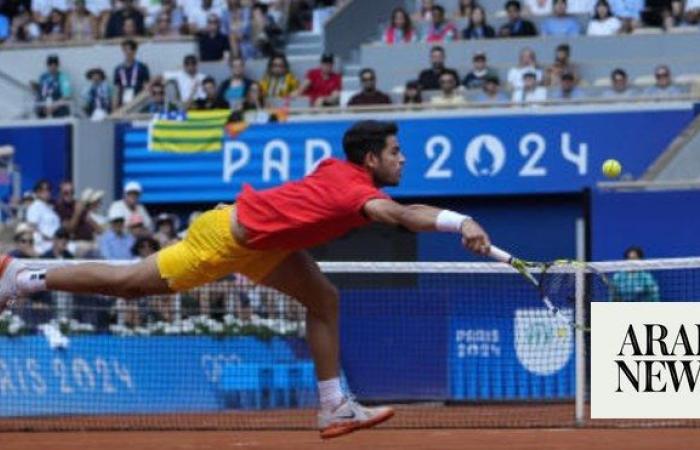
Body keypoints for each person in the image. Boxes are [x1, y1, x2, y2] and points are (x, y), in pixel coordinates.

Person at [0, 120, 492, 440]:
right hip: (226, 239)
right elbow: (404, 216)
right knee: (130, 283)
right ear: (371, 160)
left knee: (324, 298)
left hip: (263, 243)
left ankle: (334, 407)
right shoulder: (354, 194)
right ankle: (27, 276)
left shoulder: (340, 170)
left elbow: (378, 204)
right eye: (395, 152)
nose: (402, 158)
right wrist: (460, 222)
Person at [113, 39, 151, 110]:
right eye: (125, 49)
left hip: (138, 102)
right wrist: (114, 108)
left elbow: (146, 87)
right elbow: (117, 90)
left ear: (135, 51)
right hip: (123, 103)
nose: (128, 52)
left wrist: (143, 103)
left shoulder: (142, 67)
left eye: (130, 49)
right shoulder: (118, 69)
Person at [26, 179, 60, 254]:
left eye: (49, 189)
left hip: (57, 244)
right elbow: (32, 228)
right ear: (37, 192)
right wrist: (50, 239)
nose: (46, 192)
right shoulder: (35, 206)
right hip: (44, 246)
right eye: (43, 190)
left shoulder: (50, 208)